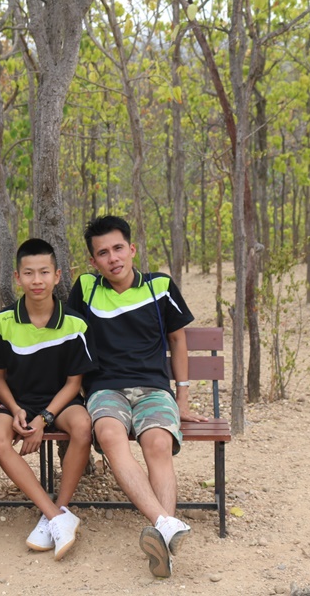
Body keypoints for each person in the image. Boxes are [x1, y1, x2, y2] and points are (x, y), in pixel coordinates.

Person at [66, 215, 209, 579]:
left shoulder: (159, 286)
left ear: (132, 249)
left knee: (158, 443)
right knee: (110, 435)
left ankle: (163, 532)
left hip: (153, 388)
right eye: (103, 253)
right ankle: (165, 523)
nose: (112, 258)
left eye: (118, 248)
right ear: (93, 261)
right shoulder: (86, 288)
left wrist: (182, 399)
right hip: (105, 388)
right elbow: (70, 341)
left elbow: (178, 340)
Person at [0, 238, 95, 561]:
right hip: (16, 401)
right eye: (29, 273)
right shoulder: (1, 322)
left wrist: (44, 418)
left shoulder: (75, 324)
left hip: (59, 402)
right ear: (17, 278)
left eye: (44, 272)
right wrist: (17, 409)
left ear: (57, 276)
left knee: (83, 426)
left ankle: (59, 508)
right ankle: (55, 516)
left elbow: (74, 384)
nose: (37, 280)